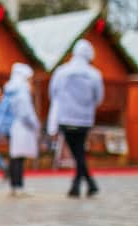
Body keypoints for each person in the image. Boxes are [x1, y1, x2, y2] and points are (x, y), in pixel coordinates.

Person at [48, 39, 103, 197]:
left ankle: (80, 185)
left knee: (77, 151)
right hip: (85, 119)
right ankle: (84, 183)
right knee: (79, 151)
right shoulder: (94, 74)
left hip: (66, 118)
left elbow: (53, 93)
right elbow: (98, 97)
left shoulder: (62, 72)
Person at [0, 63, 39, 197]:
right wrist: (34, 124)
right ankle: (18, 186)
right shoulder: (21, 90)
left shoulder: (10, 89)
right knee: (19, 157)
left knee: (15, 156)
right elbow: (25, 112)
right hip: (21, 127)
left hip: (11, 126)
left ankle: (15, 185)